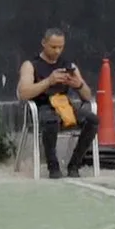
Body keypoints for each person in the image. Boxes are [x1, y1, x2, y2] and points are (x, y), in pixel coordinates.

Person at [16, 28, 97, 178]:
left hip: (65, 106)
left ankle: (74, 164)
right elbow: (23, 93)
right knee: (50, 119)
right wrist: (49, 81)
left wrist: (78, 84)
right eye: (53, 47)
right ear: (43, 43)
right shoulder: (31, 65)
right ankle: (53, 167)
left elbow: (87, 96)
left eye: (61, 47)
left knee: (92, 120)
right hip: (42, 106)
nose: (57, 51)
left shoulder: (68, 65)